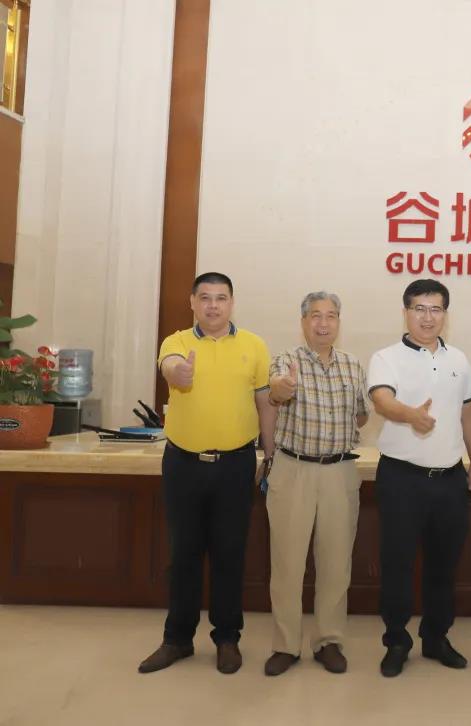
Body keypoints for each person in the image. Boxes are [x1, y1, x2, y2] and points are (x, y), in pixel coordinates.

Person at [139, 272, 275, 675]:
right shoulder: (177, 341)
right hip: (183, 463)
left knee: (230, 553)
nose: (213, 305)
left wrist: (270, 452)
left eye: (221, 298)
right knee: (183, 553)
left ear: (232, 303)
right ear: (192, 302)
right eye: (205, 298)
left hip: (235, 464)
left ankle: (227, 638)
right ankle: (177, 639)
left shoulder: (254, 345)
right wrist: (178, 373)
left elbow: (265, 402)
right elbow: (170, 367)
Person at [367, 279, 471, 677]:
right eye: (419, 308)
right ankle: (397, 641)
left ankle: (436, 638)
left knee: (443, 565)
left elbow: (469, 414)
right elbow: (382, 400)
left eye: (435, 309)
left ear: (445, 314)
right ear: (406, 312)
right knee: (397, 563)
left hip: (449, 479)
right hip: (401, 478)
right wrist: (410, 415)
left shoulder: (459, 360)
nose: (427, 317)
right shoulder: (386, 357)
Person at [262, 292, 369, 676]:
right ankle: (285, 646)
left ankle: (329, 641)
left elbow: (361, 415)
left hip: (339, 472)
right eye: (315, 316)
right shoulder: (286, 359)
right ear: (303, 321)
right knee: (288, 565)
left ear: (339, 321)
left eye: (331, 316)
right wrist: (283, 388)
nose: (324, 323)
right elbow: (276, 390)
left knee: (336, 564)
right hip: (294, 471)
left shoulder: (353, 365)